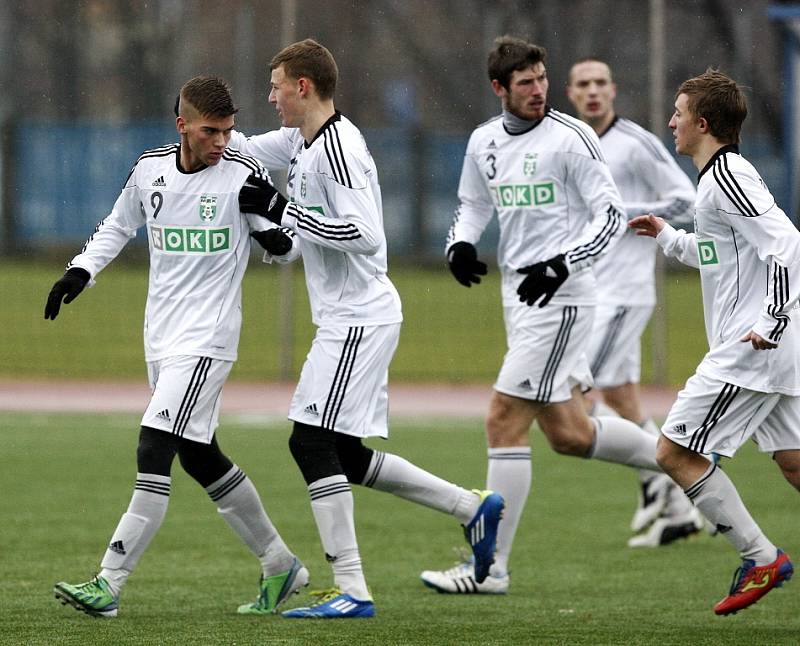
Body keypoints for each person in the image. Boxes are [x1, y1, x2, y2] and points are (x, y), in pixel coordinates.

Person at [232, 39, 504, 619]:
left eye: (276, 86)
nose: (270, 96)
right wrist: (197, 131)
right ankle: (469, 508)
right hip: (350, 316)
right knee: (345, 456)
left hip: (359, 317)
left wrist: (281, 212)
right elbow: (239, 148)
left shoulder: (338, 148)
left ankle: (352, 588)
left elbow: (365, 234)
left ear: (302, 87)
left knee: (307, 441)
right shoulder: (300, 140)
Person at [47, 76, 307, 618]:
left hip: (207, 341)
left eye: (230, 131)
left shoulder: (242, 174)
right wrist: (79, 271)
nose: (222, 142)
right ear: (182, 125)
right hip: (161, 340)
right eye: (212, 131)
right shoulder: (151, 170)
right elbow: (117, 226)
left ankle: (109, 582)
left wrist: (276, 231)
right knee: (198, 454)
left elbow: (286, 248)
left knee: (152, 446)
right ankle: (280, 564)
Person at [420, 36, 670, 595]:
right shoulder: (484, 140)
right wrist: (459, 243)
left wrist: (561, 264)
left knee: (503, 418)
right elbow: (473, 203)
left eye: (541, 79)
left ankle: (490, 569)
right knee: (570, 434)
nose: (538, 91)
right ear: (499, 89)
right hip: (519, 298)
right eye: (525, 83)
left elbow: (609, 217)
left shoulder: (572, 137)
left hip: (562, 300)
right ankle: (684, 462)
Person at [630, 68, 798, 615]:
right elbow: (722, 253)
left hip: (755, 348)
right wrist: (670, 237)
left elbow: (787, 245)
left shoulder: (728, 176)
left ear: (702, 124)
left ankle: (760, 558)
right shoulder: (717, 180)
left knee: (673, 451)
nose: (670, 122)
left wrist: (773, 318)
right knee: (794, 462)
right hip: (772, 347)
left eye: (678, 114)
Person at [566, 58, 703, 547]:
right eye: (584, 84)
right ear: (571, 92)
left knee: (581, 398)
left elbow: (685, 199)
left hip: (622, 293)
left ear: (614, 89)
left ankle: (673, 486)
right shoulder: (571, 141)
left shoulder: (636, 142)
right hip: (589, 290)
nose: (593, 91)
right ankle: (670, 498)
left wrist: (621, 214)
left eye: (601, 82)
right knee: (622, 398)